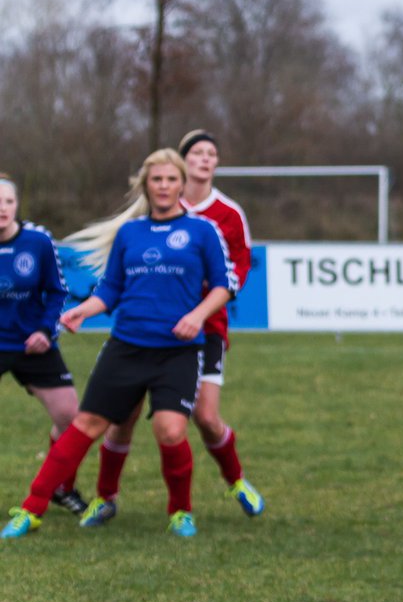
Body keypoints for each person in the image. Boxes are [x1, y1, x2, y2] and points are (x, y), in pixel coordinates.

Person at [1, 149, 238, 539]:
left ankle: (180, 511)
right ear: (146, 185)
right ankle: (32, 508)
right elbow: (111, 288)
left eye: (170, 179)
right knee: (85, 424)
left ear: (181, 184)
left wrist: (197, 316)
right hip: (126, 346)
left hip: (178, 351)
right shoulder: (130, 233)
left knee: (170, 431)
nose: (163, 186)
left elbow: (224, 284)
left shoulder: (202, 231)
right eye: (156, 180)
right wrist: (84, 311)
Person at [81, 129, 263, 530]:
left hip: (203, 330)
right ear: (180, 164)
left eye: (211, 153)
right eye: (196, 152)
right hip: (144, 332)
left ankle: (235, 482)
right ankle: (105, 498)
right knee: (121, 417)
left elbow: (238, 271)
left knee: (206, 418)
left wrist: (198, 303)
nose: (205, 159)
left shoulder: (227, 214)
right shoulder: (156, 206)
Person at [0, 173, 87, 514]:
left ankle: (62, 488)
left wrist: (44, 330)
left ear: (17, 204)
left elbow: (56, 291)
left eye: (8, 201)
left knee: (70, 417)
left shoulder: (37, 241)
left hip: (32, 343)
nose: (2, 209)